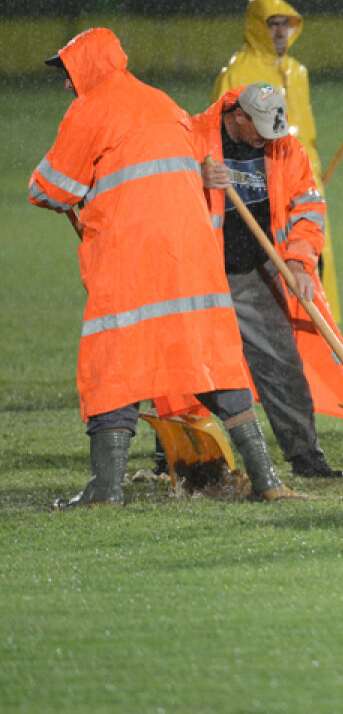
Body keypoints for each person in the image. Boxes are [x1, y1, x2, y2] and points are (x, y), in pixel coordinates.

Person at [28, 28, 303, 508]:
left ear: (86, 68)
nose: (66, 84)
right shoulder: (163, 102)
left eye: (69, 73)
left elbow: (51, 188)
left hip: (130, 261)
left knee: (114, 364)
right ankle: (267, 480)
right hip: (193, 260)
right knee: (214, 361)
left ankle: (105, 489)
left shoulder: (90, 109)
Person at [159, 82, 343, 479]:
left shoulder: (284, 145)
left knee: (281, 363)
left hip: (256, 273)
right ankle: (179, 458)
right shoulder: (192, 138)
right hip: (198, 275)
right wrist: (193, 177)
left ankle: (305, 457)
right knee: (188, 367)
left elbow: (309, 206)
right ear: (238, 115)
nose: (268, 138)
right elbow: (156, 193)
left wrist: (300, 261)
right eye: (259, 128)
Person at [213, 0, 342, 320]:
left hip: (304, 189)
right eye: (272, 23)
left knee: (313, 270)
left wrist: (311, 178)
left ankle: (314, 351)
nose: (280, 31)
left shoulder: (298, 73)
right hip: (261, 197)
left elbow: (305, 139)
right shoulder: (236, 74)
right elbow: (223, 140)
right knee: (272, 291)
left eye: (285, 23)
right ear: (257, 26)